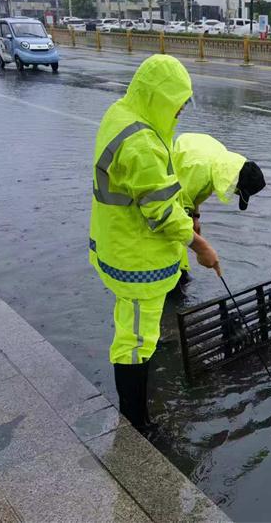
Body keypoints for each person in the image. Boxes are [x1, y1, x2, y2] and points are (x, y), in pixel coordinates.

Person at [89, 54, 221, 432]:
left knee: (133, 332)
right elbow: (161, 213)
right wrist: (201, 246)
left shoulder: (122, 112)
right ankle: (135, 423)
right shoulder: (142, 143)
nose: (180, 112)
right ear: (159, 97)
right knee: (134, 341)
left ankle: (136, 415)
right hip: (137, 259)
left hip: (117, 243)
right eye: (176, 104)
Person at [171, 133, 266, 281]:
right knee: (172, 268)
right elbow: (173, 217)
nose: (233, 193)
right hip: (158, 203)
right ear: (235, 183)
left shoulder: (219, 164)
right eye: (237, 192)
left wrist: (195, 217)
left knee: (180, 273)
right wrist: (202, 248)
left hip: (179, 191)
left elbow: (193, 193)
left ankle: (180, 274)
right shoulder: (199, 169)